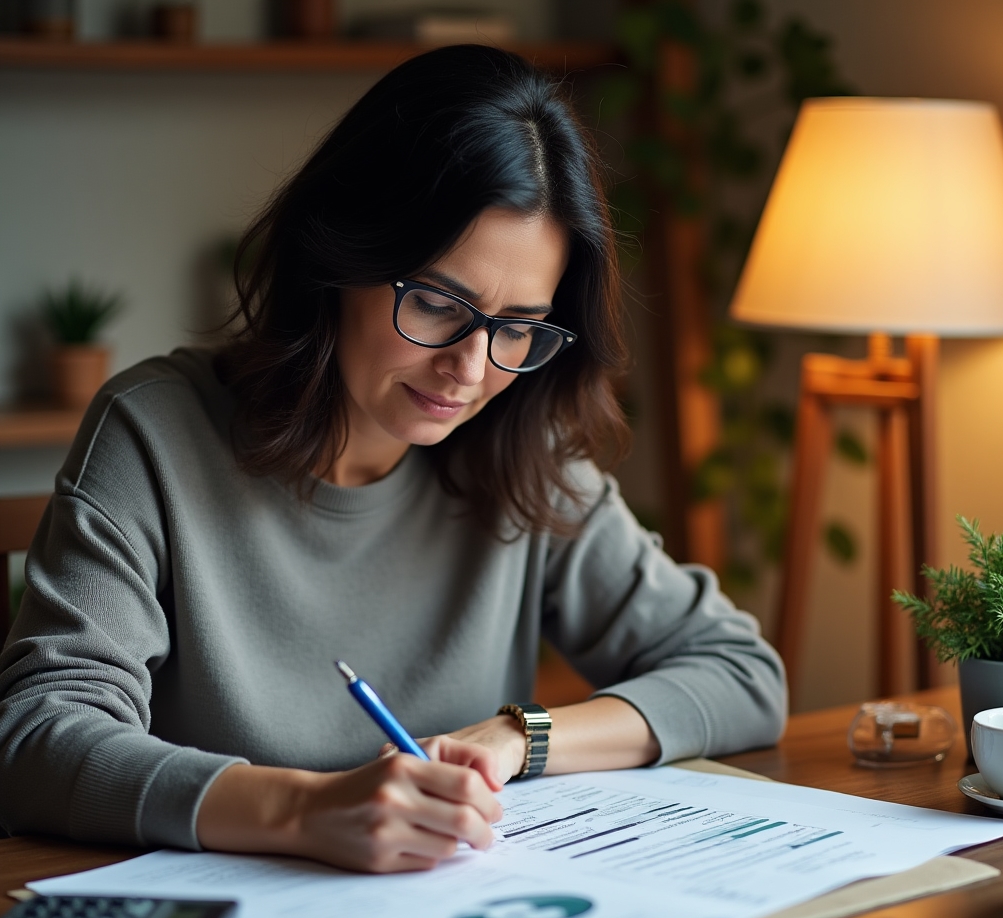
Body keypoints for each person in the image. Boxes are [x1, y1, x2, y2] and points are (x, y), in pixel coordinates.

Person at [0, 45, 785, 874]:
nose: (473, 369)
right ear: (338, 257)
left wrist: (522, 737)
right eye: (441, 305)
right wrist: (302, 810)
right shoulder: (155, 433)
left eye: (518, 326)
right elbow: (39, 737)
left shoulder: (523, 448)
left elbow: (740, 674)